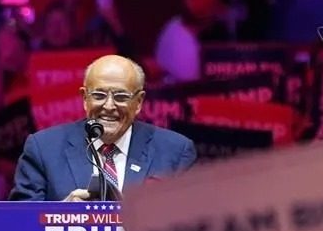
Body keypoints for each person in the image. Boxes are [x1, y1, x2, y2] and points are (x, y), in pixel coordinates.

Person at [10, 55, 196, 203]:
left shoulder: (175, 152)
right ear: (84, 98)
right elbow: (19, 229)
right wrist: (60, 215)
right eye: (99, 95)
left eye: (121, 97)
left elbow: (192, 230)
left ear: (138, 102)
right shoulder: (43, 149)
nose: (108, 106)